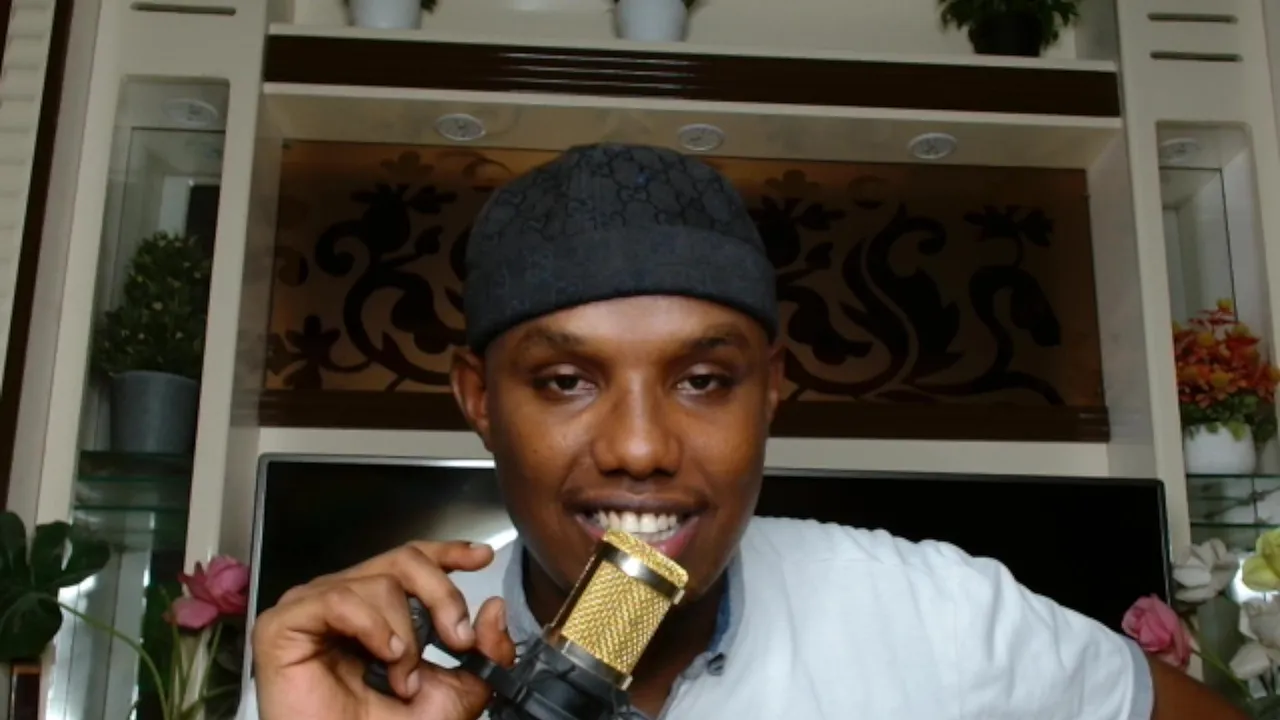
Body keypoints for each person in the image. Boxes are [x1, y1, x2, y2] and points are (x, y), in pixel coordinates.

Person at [240, 143, 1246, 720]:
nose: (640, 447)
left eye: (703, 379)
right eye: (564, 380)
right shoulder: (354, 679)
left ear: (770, 390)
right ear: (478, 399)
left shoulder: (936, 617)